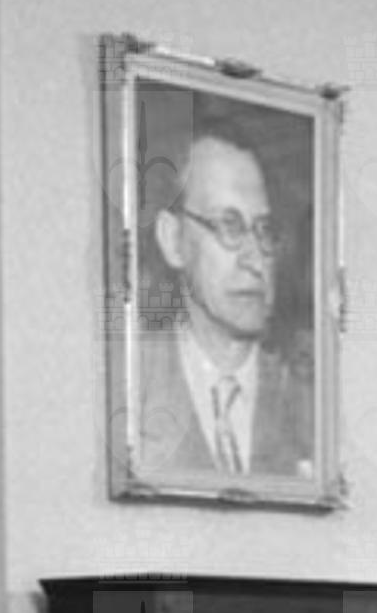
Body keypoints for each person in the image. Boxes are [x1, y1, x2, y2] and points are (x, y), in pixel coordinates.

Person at [132, 122, 312, 484]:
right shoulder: (131, 386)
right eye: (229, 226)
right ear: (173, 240)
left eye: (264, 229)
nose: (255, 259)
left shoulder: (310, 398)